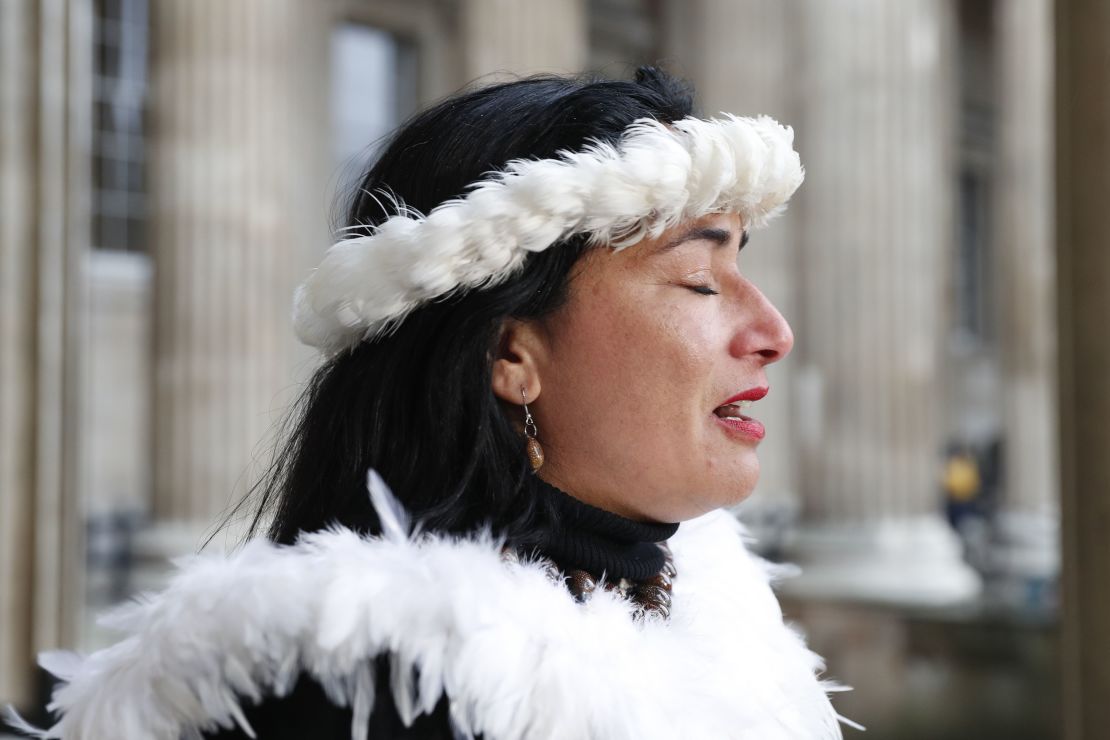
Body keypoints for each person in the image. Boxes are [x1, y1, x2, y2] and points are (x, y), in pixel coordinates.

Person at [14, 68, 861, 739]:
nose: (773, 332)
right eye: (700, 279)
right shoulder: (376, 690)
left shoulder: (721, 624)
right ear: (508, 353)